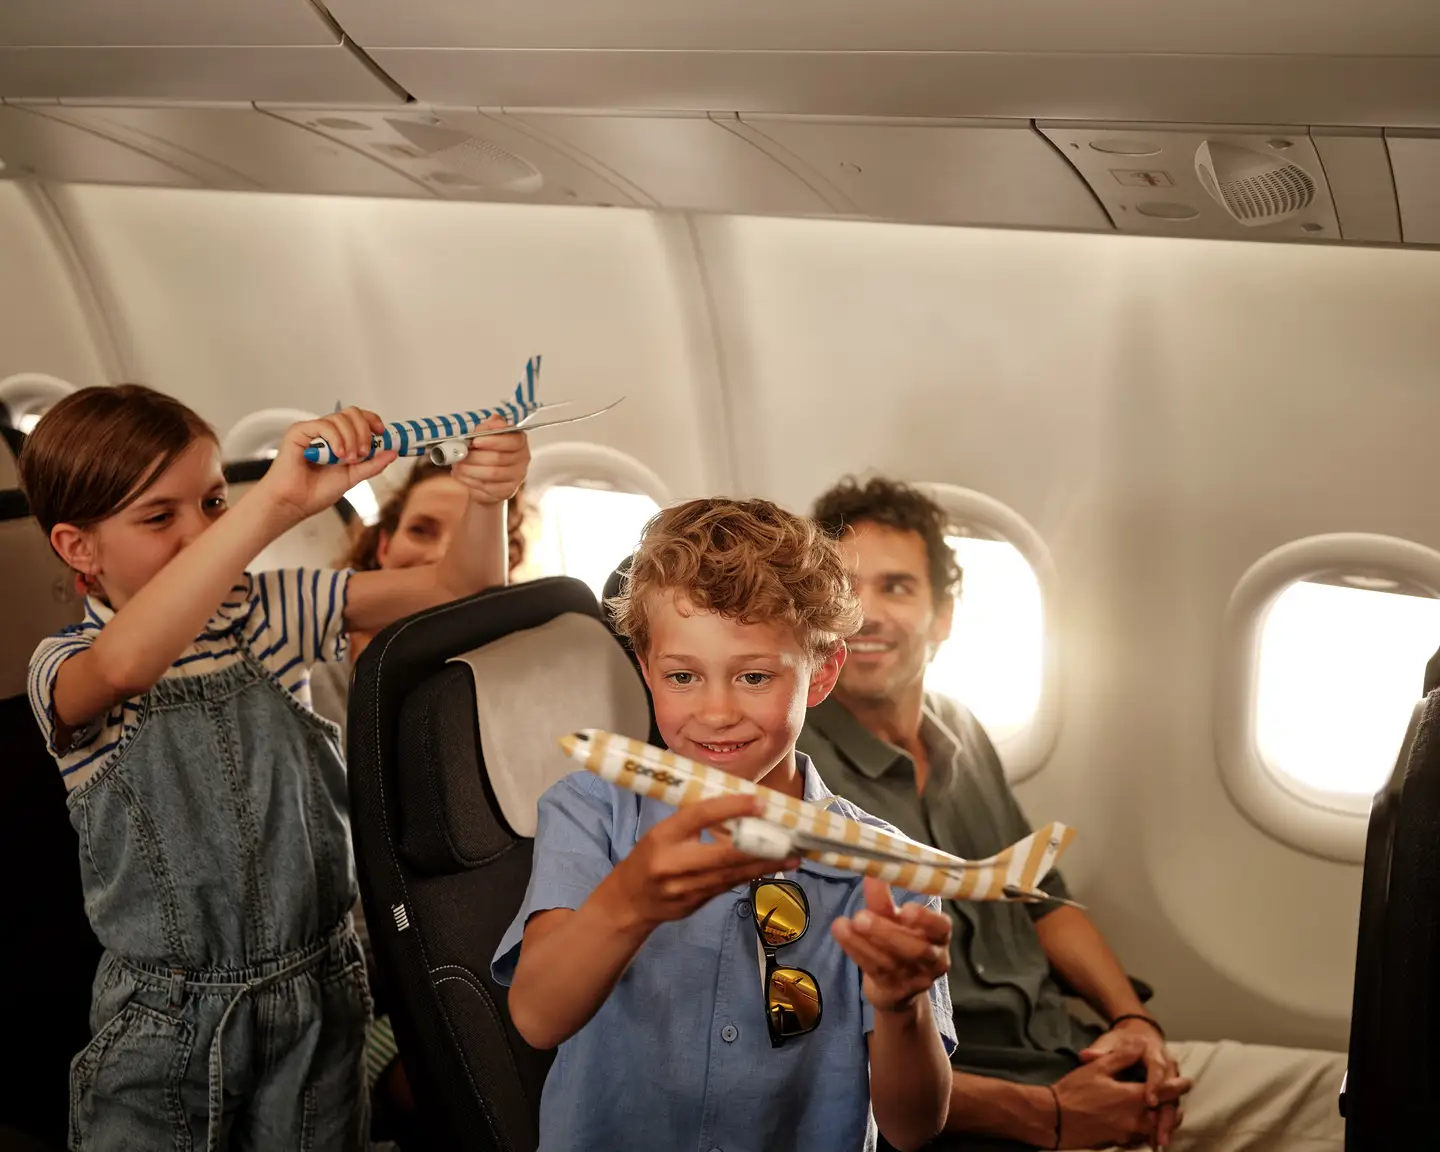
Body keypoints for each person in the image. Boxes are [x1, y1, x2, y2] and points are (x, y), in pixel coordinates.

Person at [20, 384, 529, 1151]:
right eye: (161, 517)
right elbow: (124, 665)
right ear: (78, 549)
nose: (200, 533)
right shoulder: (64, 666)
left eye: (215, 503)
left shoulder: (267, 613)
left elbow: (456, 587)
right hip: (171, 1022)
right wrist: (272, 508)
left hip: (322, 996)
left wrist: (487, 496)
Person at [797, 476, 1348, 1152]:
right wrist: (1050, 1114)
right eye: (846, 590)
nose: (866, 614)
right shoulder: (799, 770)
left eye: (897, 587)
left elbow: (1042, 899)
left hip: (1073, 1050)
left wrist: (1133, 1023)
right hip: (982, 1106)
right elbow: (819, 1053)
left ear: (943, 617)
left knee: (1357, 1093)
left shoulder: (959, 730)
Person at [492, 497, 959, 1152]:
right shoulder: (592, 811)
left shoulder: (887, 870)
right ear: (646, 668)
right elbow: (538, 1018)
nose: (715, 712)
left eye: (754, 676)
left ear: (822, 672)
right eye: (683, 676)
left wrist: (900, 1005)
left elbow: (914, 1127)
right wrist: (630, 902)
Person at [309, 456, 531, 742]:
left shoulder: (517, 674)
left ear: (501, 564)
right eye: (420, 531)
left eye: (466, 541)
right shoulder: (318, 662)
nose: (440, 556)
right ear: (384, 546)